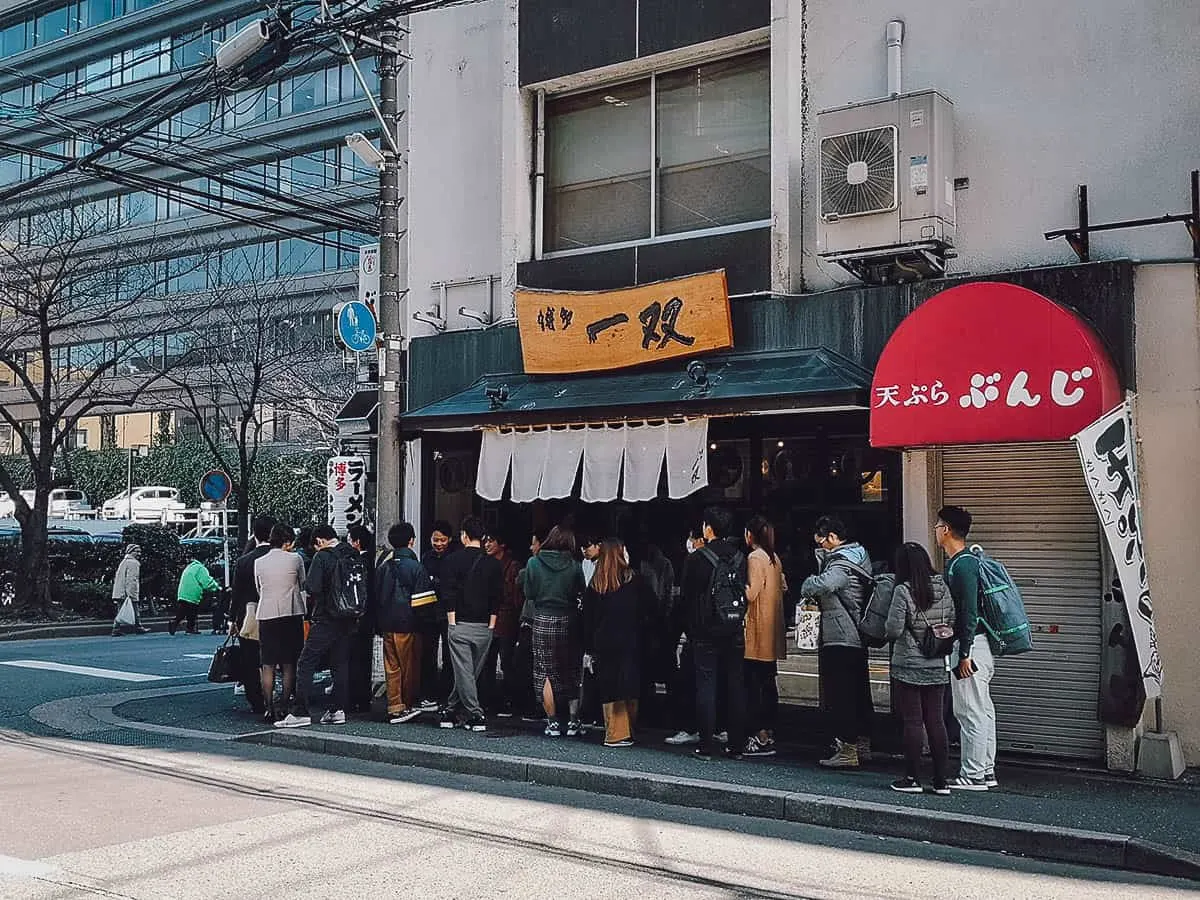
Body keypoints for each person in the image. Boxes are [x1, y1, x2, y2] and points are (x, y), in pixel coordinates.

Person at [802, 515, 875, 769]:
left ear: (832, 537)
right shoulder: (858, 557)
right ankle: (861, 745)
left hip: (841, 636)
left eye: (821, 542)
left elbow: (826, 584)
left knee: (843, 695)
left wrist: (808, 583)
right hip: (853, 636)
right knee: (857, 693)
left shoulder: (841, 564)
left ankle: (848, 749)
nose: (820, 546)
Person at [885, 541, 956, 795]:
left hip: (909, 664)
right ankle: (940, 781)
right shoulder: (943, 588)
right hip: (937, 662)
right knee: (936, 720)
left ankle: (912, 778)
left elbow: (892, 629)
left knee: (913, 722)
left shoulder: (903, 591)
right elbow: (951, 621)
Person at [936, 505, 998, 791]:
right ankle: (985, 770)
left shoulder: (961, 564)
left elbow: (968, 612)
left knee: (969, 711)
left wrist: (964, 653)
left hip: (970, 646)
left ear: (946, 529)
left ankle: (972, 774)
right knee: (983, 709)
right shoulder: (970, 561)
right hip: (980, 645)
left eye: (938, 526)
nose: (936, 531)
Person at [680, 506, 747, 760]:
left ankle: (706, 745)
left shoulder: (698, 558)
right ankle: (736, 745)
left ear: (708, 528)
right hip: (733, 628)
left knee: (706, 686)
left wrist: (690, 627)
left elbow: (686, 597)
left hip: (705, 630)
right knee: (735, 685)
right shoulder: (740, 558)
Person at [276, 525, 359, 728]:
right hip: (350, 617)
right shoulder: (352, 553)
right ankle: (337, 710)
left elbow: (312, 587)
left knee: (306, 662)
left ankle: (300, 712)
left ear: (320, 541)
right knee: (340, 663)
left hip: (326, 617)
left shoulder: (323, 557)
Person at [520, 525, 586, 737]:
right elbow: (580, 592)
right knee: (572, 670)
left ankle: (553, 722)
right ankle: (574, 721)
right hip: (568, 619)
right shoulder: (575, 565)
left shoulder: (533, 562)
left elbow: (529, 593)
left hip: (542, 618)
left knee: (544, 671)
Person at [437, 516, 502, 731]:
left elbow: (448, 594)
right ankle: (450, 710)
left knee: (464, 671)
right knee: (470, 671)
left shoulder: (451, 561)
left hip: (460, 623)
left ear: (464, 535)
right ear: (482, 538)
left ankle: (475, 714)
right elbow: (497, 597)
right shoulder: (494, 564)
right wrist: (492, 625)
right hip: (485, 626)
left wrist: (452, 622)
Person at [582, 538, 648, 748]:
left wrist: (588, 647)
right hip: (631, 640)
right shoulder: (635, 581)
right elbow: (650, 611)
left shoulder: (596, 584)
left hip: (604, 643)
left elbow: (588, 618)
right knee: (629, 684)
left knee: (610, 687)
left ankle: (616, 732)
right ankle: (629, 729)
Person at [375, 522, 432, 724]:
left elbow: (376, 598)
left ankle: (394, 706)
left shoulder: (383, 568)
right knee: (409, 666)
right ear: (411, 541)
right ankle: (405, 706)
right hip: (409, 625)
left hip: (387, 624)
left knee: (392, 667)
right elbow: (424, 603)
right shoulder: (417, 568)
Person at [742, 515, 787, 757]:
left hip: (757, 631)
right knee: (768, 685)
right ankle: (768, 733)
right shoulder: (774, 558)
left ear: (751, 534)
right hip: (772, 631)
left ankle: (758, 736)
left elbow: (750, 594)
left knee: (754, 686)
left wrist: (735, 583)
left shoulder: (754, 558)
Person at [254, 524, 307, 723]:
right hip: (291, 613)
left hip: (267, 614)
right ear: (288, 541)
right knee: (288, 663)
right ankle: (284, 705)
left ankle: (268, 707)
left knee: (267, 663)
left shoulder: (259, 561)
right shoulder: (295, 559)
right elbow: (303, 583)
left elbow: (259, 587)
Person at [665, 527, 706, 746]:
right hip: (715, 630)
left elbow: (685, 599)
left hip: (695, 630)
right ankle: (714, 727)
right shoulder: (726, 558)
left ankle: (690, 727)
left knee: (689, 680)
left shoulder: (695, 561)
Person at [230, 517, 274, 714]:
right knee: (275, 658)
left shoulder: (244, 561)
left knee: (250, 659)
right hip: (276, 615)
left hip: (248, 616)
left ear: (254, 535)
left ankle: (255, 700)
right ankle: (275, 697)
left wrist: (232, 619)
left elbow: (236, 593)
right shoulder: (285, 558)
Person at [417, 520, 457, 711]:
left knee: (450, 655)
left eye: (442, 540)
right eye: (435, 540)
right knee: (428, 654)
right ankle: (429, 693)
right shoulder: (426, 557)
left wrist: (436, 582)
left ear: (450, 539)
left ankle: (447, 692)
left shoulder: (455, 557)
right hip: (430, 612)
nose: (438, 543)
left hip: (449, 612)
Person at [481, 532, 522, 716]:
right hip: (490, 617)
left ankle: (510, 699)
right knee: (488, 661)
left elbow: (515, 597)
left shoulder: (512, 566)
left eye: (491, 541)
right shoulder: (485, 563)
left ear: (502, 544)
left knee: (507, 661)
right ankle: (490, 700)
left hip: (506, 618)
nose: (487, 544)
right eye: (486, 541)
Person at [346, 524, 377, 714]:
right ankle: (364, 699)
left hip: (356, 616)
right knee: (365, 659)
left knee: (352, 658)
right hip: (370, 617)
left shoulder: (356, 562)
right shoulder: (374, 561)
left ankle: (353, 698)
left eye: (349, 540)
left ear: (356, 542)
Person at [172, 555, 219, 635]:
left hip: (183, 592)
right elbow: (206, 582)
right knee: (192, 612)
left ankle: (174, 623)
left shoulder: (190, 567)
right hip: (192, 593)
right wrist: (217, 587)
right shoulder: (201, 568)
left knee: (183, 611)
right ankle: (190, 629)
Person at [111, 544, 150, 635]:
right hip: (128, 591)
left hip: (120, 591)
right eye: (137, 551)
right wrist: (131, 593)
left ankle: (116, 629)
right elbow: (132, 579)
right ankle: (138, 627)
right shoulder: (133, 563)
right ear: (131, 552)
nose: (139, 554)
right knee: (135, 610)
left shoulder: (124, 562)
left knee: (121, 610)